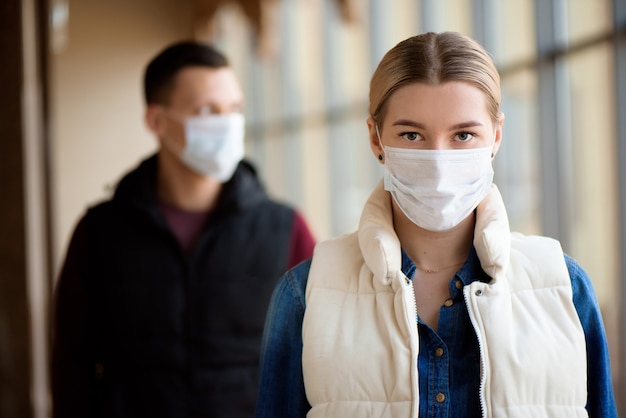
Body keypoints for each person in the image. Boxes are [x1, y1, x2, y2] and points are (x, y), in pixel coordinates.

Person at [255, 31, 617, 417]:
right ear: (376, 140)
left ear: (495, 136)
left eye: (463, 135)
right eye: (412, 135)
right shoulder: (305, 295)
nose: (439, 160)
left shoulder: (564, 287)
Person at [51, 40, 316, 418]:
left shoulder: (286, 229)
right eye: (207, 110)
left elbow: (320, 358)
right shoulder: (99, 233)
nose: (227, 125)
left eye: (234, 110)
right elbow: (72, 368)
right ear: (156, 121)